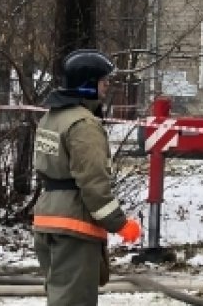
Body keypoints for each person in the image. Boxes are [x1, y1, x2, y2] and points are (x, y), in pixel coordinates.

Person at [32, 49, 142, 306]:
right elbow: (94, 185)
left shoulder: (51, 117)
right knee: (73, 301)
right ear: (87, 84)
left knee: (59, 296)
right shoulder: (84, 125)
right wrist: (120, 225)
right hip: (74, 226)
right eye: (104, 82)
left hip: (48, 219)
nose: (107, 87)